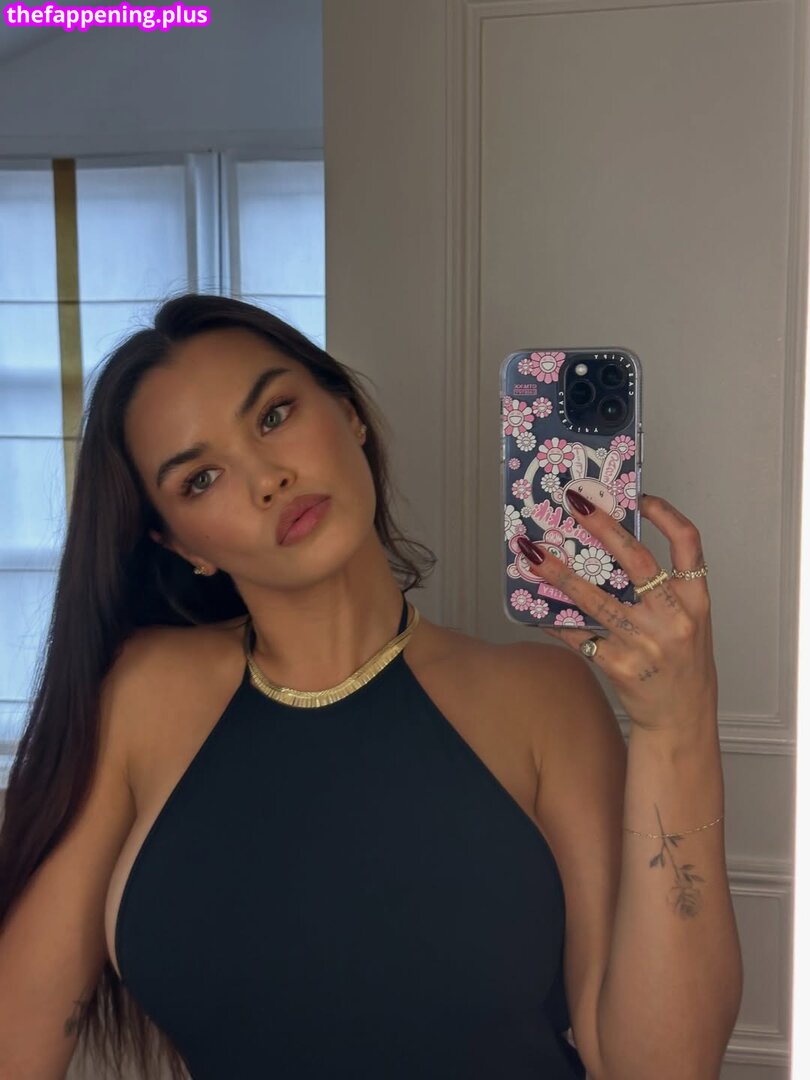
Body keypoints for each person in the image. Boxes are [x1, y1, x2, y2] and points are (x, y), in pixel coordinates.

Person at [0, 293, 594, 1079]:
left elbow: (653, 1060)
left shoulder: (543, 697)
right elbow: (18, 1038)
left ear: (347, 413)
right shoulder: (143, 697)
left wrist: (678, 714)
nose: (268, 478)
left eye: (274, 416)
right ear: (179, 545)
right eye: (201, 477)